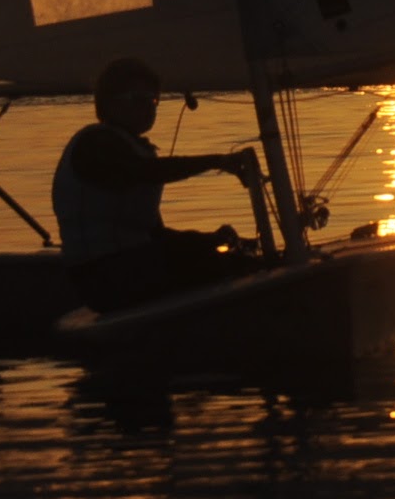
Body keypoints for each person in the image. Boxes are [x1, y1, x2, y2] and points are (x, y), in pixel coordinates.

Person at [52, 57, 263, 312]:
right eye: (138, 99)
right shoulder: (95, 145)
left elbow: (155, 234)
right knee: (220, 266)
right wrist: (217, 161)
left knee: (224, 252)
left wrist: (207, 240)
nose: (149, 108)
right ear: (109, 102)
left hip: (132, 264)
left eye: (153, 100)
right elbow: (146, 171)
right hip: (103, 275)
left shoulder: (134, 148)